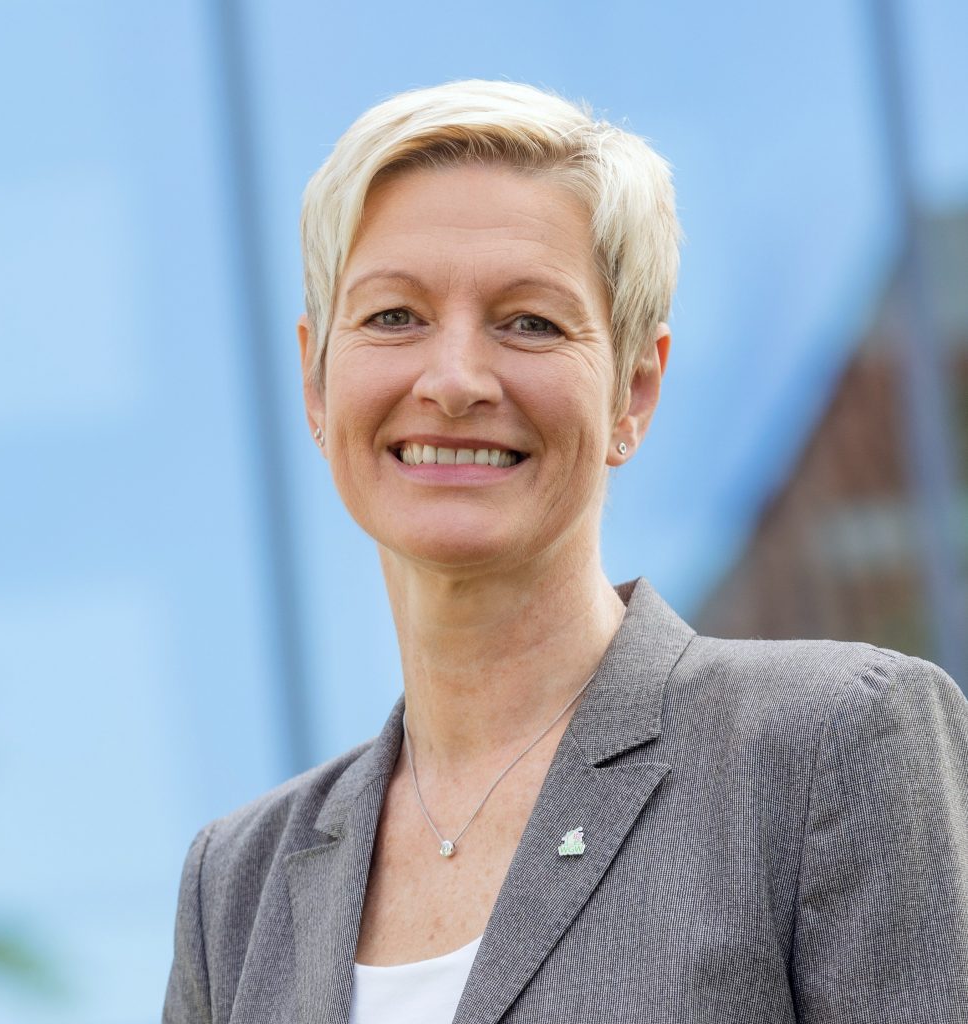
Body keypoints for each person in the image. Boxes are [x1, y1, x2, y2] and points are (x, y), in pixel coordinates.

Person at [163, 80, 968, 1023]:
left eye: (529, 323)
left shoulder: (826, 742)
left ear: (632, 391)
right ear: (315, 380)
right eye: (393, 317)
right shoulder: (235, 888)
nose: (455, 380)